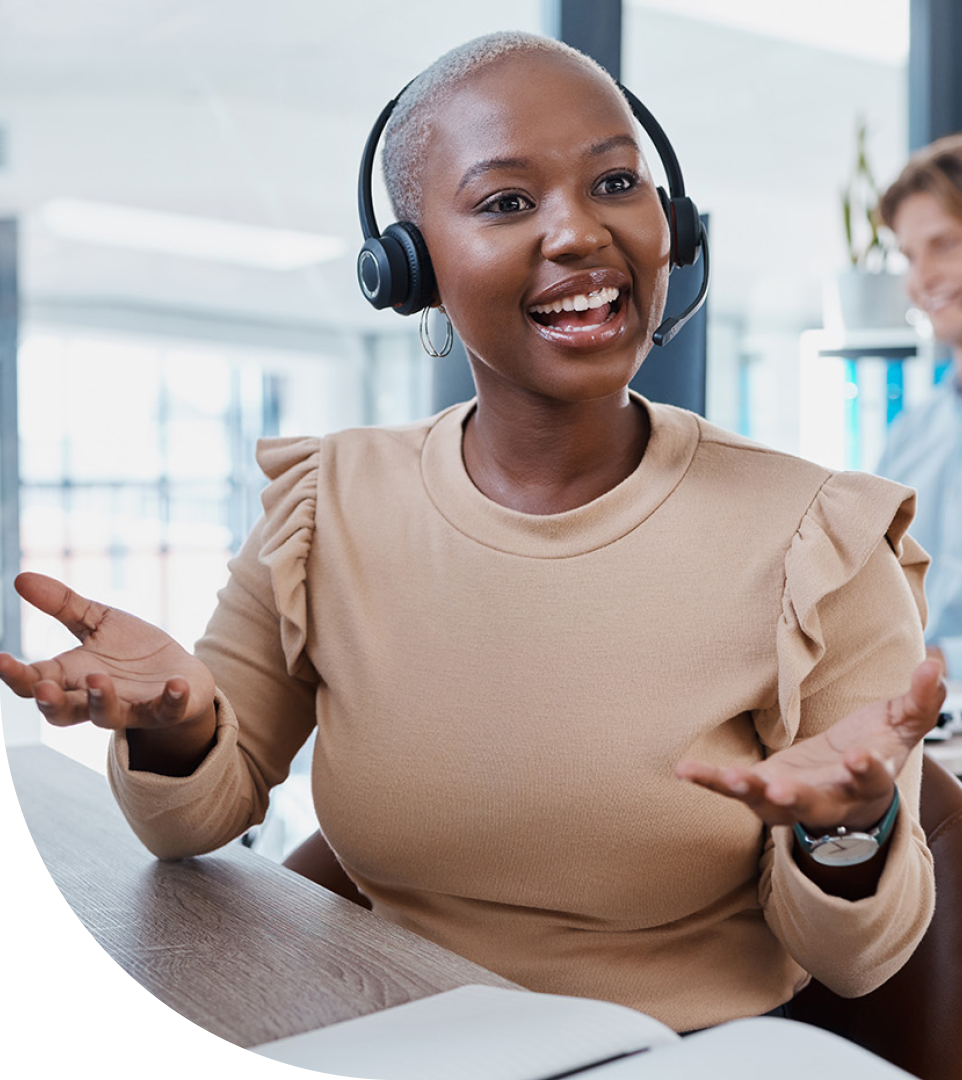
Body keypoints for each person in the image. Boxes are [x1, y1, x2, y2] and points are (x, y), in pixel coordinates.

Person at [0, 31, 943, 1035]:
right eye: (504, 202)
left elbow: (857, 961)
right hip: (376, 1028)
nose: (578, 234)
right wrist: (178, 724)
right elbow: (191, 821)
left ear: (671, 227)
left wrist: (846, 834)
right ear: (405, 267)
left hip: (674, 1054)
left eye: (615, 182)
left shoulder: (817, 537)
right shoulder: (328, 501)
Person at [875, 134, 962, 678]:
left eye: (944, 244)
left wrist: (942, 661)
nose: (920, 279)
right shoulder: (911, 435)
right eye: (909, 256)